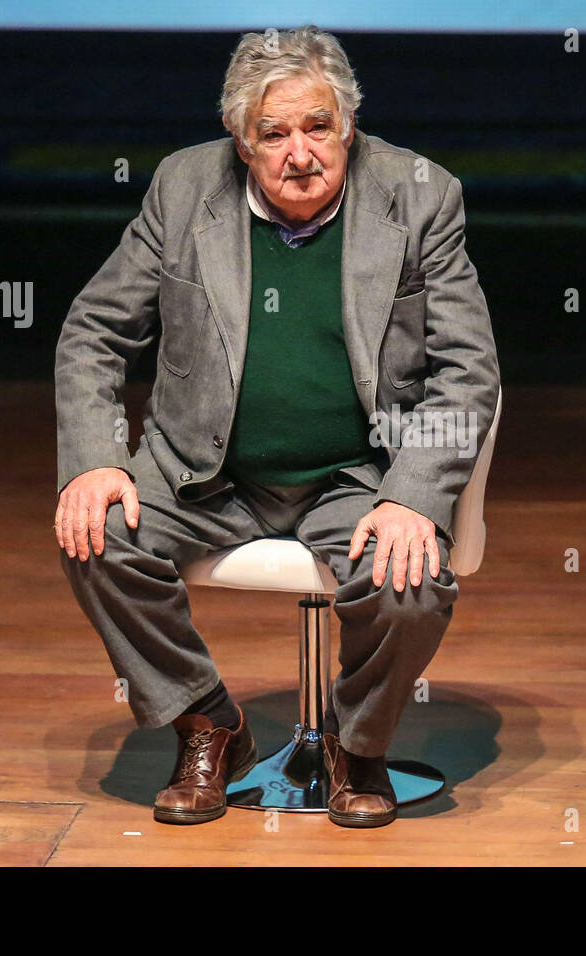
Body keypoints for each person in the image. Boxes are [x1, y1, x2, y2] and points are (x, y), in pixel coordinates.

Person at [53, 25, 500, 828]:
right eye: (275, 133)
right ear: (240, 139)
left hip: (357, 476)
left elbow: (468, 371)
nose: (301, 153)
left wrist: (413, 498)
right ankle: (209, 726)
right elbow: (94, 331)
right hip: (201, 470)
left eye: (319, 127)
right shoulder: (184, 187)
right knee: (93, 532)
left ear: (349, 125)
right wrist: (94, 458)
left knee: (411, 582)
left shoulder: (421, 192)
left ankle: (357, 745)